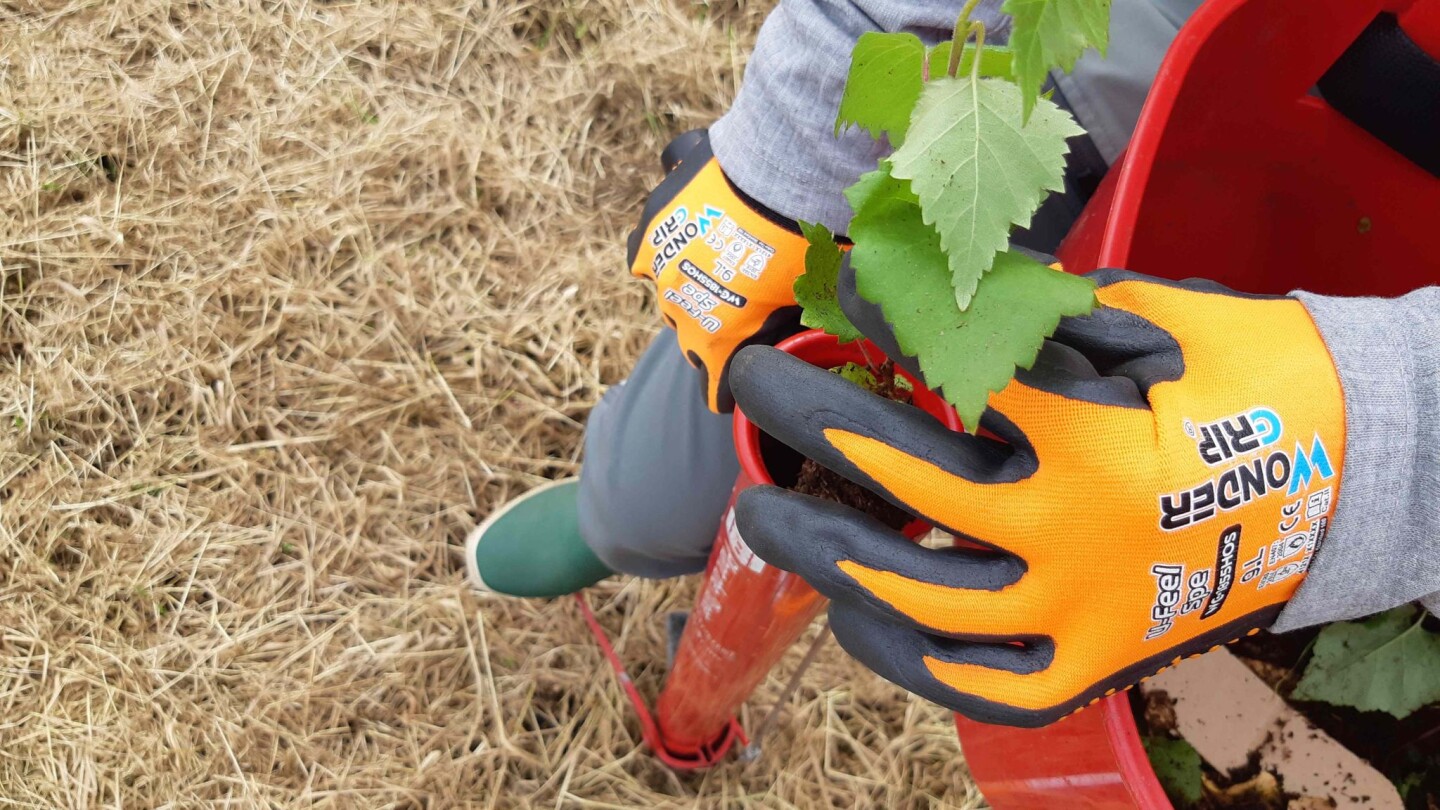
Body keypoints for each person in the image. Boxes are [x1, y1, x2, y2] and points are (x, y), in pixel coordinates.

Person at [467, 0, 1440, 727]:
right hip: (1120, 47)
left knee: (959, 469)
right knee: (711, 423)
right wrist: (795, 138)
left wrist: (1391, 463)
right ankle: (620, 517)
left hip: (1358, 277)